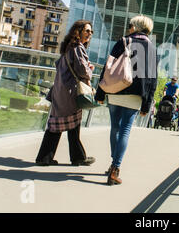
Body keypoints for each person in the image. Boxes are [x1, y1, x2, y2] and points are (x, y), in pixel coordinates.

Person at [95, 15, 157, 186]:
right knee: (125, 130)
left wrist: (100, 93)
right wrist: (147, 103)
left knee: (115, 127)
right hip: (135, 96)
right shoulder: (151, 48)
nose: (128, 28)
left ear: (135, 27)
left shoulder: (122, 41)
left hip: (115, 90)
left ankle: (113, 163)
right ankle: (115, 168)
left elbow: (108, 68)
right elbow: (152, 79)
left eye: (130, 25)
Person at [35, 20, 96, 167]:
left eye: (91, 32)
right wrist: (90, 69)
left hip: (60, 90)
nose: (89, 34)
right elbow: (82, 70)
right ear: (78, 31)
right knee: (66, 124)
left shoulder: (68, 47)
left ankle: (53, 157)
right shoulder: (77, 47)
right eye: (87, 31)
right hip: (70, 92)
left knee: (60, 123)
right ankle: (54, 157)